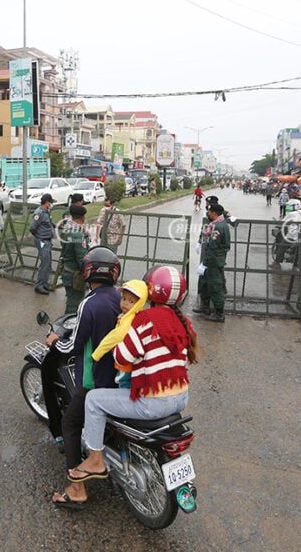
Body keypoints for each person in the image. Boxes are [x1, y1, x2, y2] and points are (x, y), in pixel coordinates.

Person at [65, 266, 198, 499]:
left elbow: (121, 357)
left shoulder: (145, 320)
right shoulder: (183, 321)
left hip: (153, 402)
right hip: (180, 399)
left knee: (94, 400)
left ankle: (96, 460)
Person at [50, 247, 122, 508]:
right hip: (120, 376)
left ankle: (77, 489)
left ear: (88, 271)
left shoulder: (89, 303)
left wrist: (56, 342)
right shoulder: (122, 298)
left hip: (94, 380)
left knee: (70, 425)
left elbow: (76, 345)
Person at [194, 203, 231, 322]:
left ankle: (219, 313)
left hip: (213, 261)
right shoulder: (216, 224)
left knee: (215, 286)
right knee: (205, 283)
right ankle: (205, 307)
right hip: (211, 260)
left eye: (209, 212)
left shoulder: (218, 227)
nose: (208, 214)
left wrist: (204, 263)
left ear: (214, 213)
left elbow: (213, 247)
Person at [60, 205, 91, 315]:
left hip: (67, 270)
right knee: (74, 305)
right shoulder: (78, 234)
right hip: (75, 276)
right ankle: (69, 328)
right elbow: (82, 259)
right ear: (82, 218)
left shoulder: (66, 229)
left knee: (71, 300)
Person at [30, 193, 55, 295]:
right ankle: (39, 285)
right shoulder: (39, 212)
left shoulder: (46, 212)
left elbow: (48, 223)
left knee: (48, 263)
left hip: (47, 240)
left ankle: (45, 283)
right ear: (47, 202)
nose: (52, 204)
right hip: (42, 241)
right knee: (44, 263)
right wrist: (39, 236)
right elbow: (32, 228)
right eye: (51, 202)